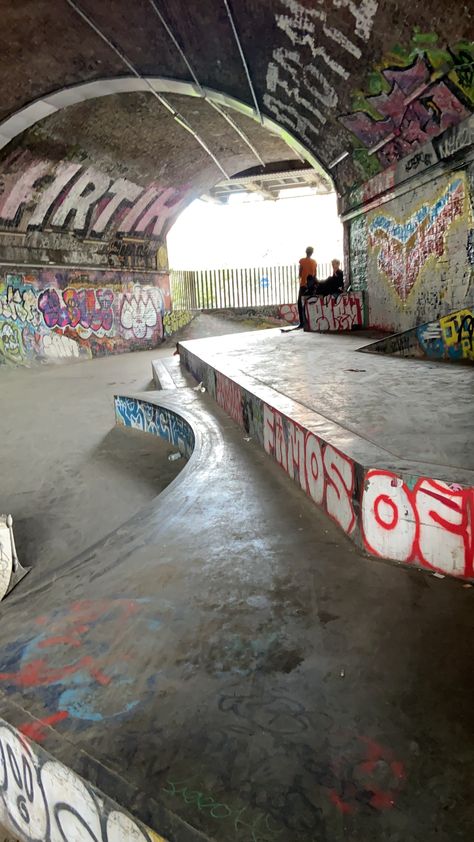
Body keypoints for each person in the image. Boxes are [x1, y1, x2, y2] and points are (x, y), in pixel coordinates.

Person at [297, 246, 317, 328]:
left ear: (306, 252)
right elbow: (315, 275)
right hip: (311, 285)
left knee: (300, 303)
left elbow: (300, 274)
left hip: (303, 285)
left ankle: (302, 323)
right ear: (312, 253)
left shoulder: (302, 261)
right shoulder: (314, 262)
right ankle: (311, 322)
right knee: (310, 303)